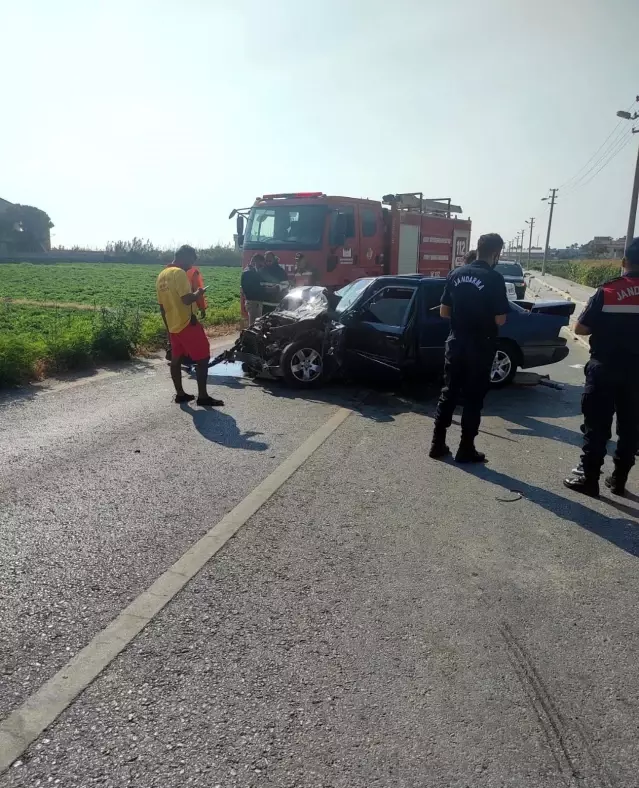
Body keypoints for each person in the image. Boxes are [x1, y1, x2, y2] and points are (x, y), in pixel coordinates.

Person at [563, 237, 639, 497]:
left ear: (624, 262)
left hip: (605, 367)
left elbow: (581, 327)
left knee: (596, 426)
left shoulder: (608, 291)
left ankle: (590, 479)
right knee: (631, 428)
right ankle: (619, 480)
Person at [429, 233, 509, 463]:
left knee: (449, 393)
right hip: (480, 346)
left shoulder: (455, 274)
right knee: (473, 398)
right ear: (496, 253)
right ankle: (466, 448)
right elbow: (500, 319)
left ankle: (437, 443)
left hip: (456, 343)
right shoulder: (494, 278)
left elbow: (444, 311)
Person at [156, 245, 223, 407]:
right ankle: (203, 396)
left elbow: (162, 307)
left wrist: (168, 329)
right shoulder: (179, 273)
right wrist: (199, 293)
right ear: (184, 256)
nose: (191, 266)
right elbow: (186, 299)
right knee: (203, 357)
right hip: (187, 323)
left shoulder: (162, 275)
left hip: (173, 325)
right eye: (191, 261)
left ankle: (180, 394)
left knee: (176, 359)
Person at [242, 253, 265, 325]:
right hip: (254, 302)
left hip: (252, 301)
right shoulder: (249, 273)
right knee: (255, 324)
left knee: (253, 323)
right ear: (256, 262)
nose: (261, 267)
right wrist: (265, 289)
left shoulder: (249, 271)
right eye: (260, 265)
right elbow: (252, 288)